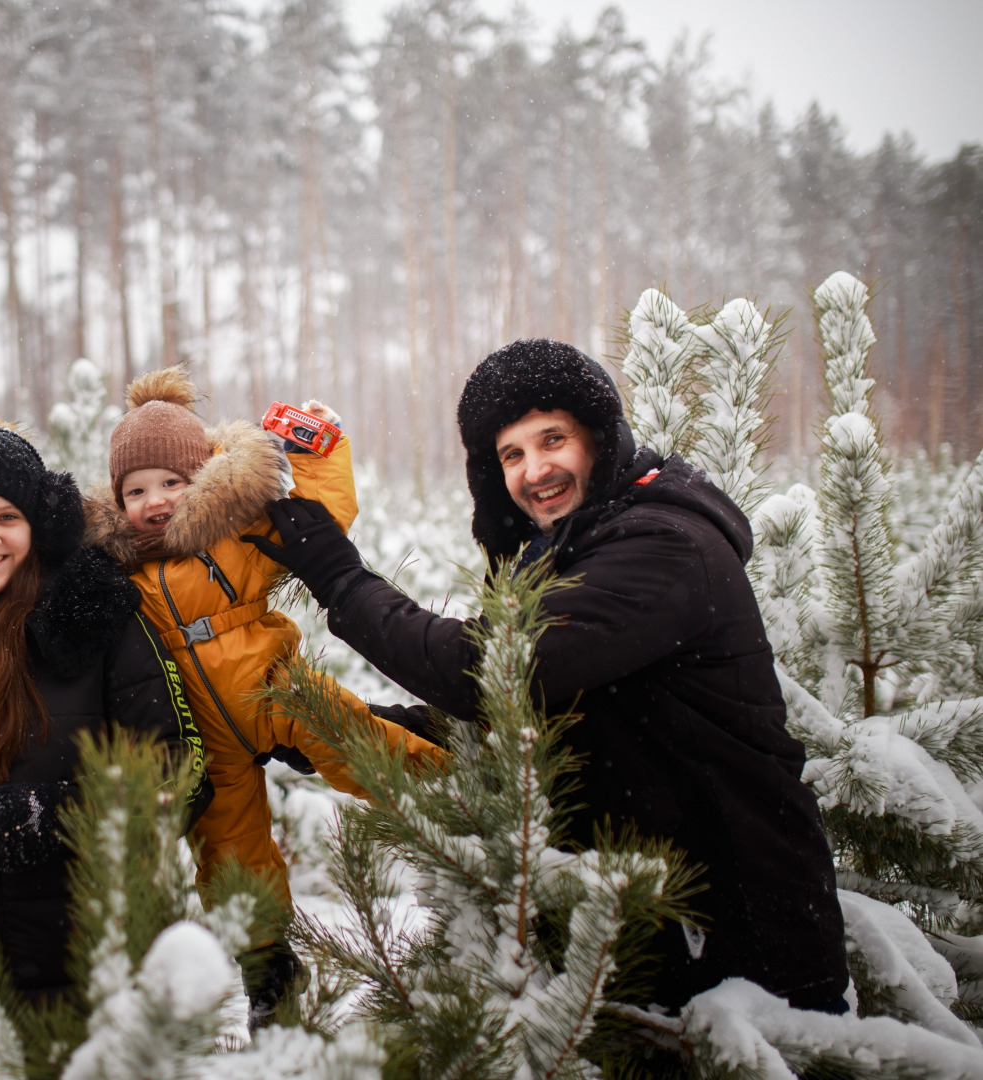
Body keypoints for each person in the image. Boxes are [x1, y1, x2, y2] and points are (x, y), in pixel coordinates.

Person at [247, 339, 850, 1012]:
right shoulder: (569, 552)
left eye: (552, 439)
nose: (536, 470)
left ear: (600, 436)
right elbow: (520, 724)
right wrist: (344, 730)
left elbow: (489, 676)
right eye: (512, 454)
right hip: (635, 946)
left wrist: (340, 578)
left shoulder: (664, 548)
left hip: (743, 955)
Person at [83, 368, 445, 1024]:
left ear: (202, 482)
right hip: (203, 736)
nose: (156, 501)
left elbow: (323, 517)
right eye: (136, 490)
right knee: (226, 848)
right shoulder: (118, 572)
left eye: (172, 482)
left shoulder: (232, 533)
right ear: (117, 499)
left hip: (276, 689)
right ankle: (266, 970)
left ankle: (454, 777)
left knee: (358, 744)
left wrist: (320, 450)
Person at [0, 415, 208, 1001]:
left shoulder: (96, 616)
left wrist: (63, 815)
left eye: (8, 517)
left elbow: (179, 773)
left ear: (41, 524)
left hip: (87, 974)